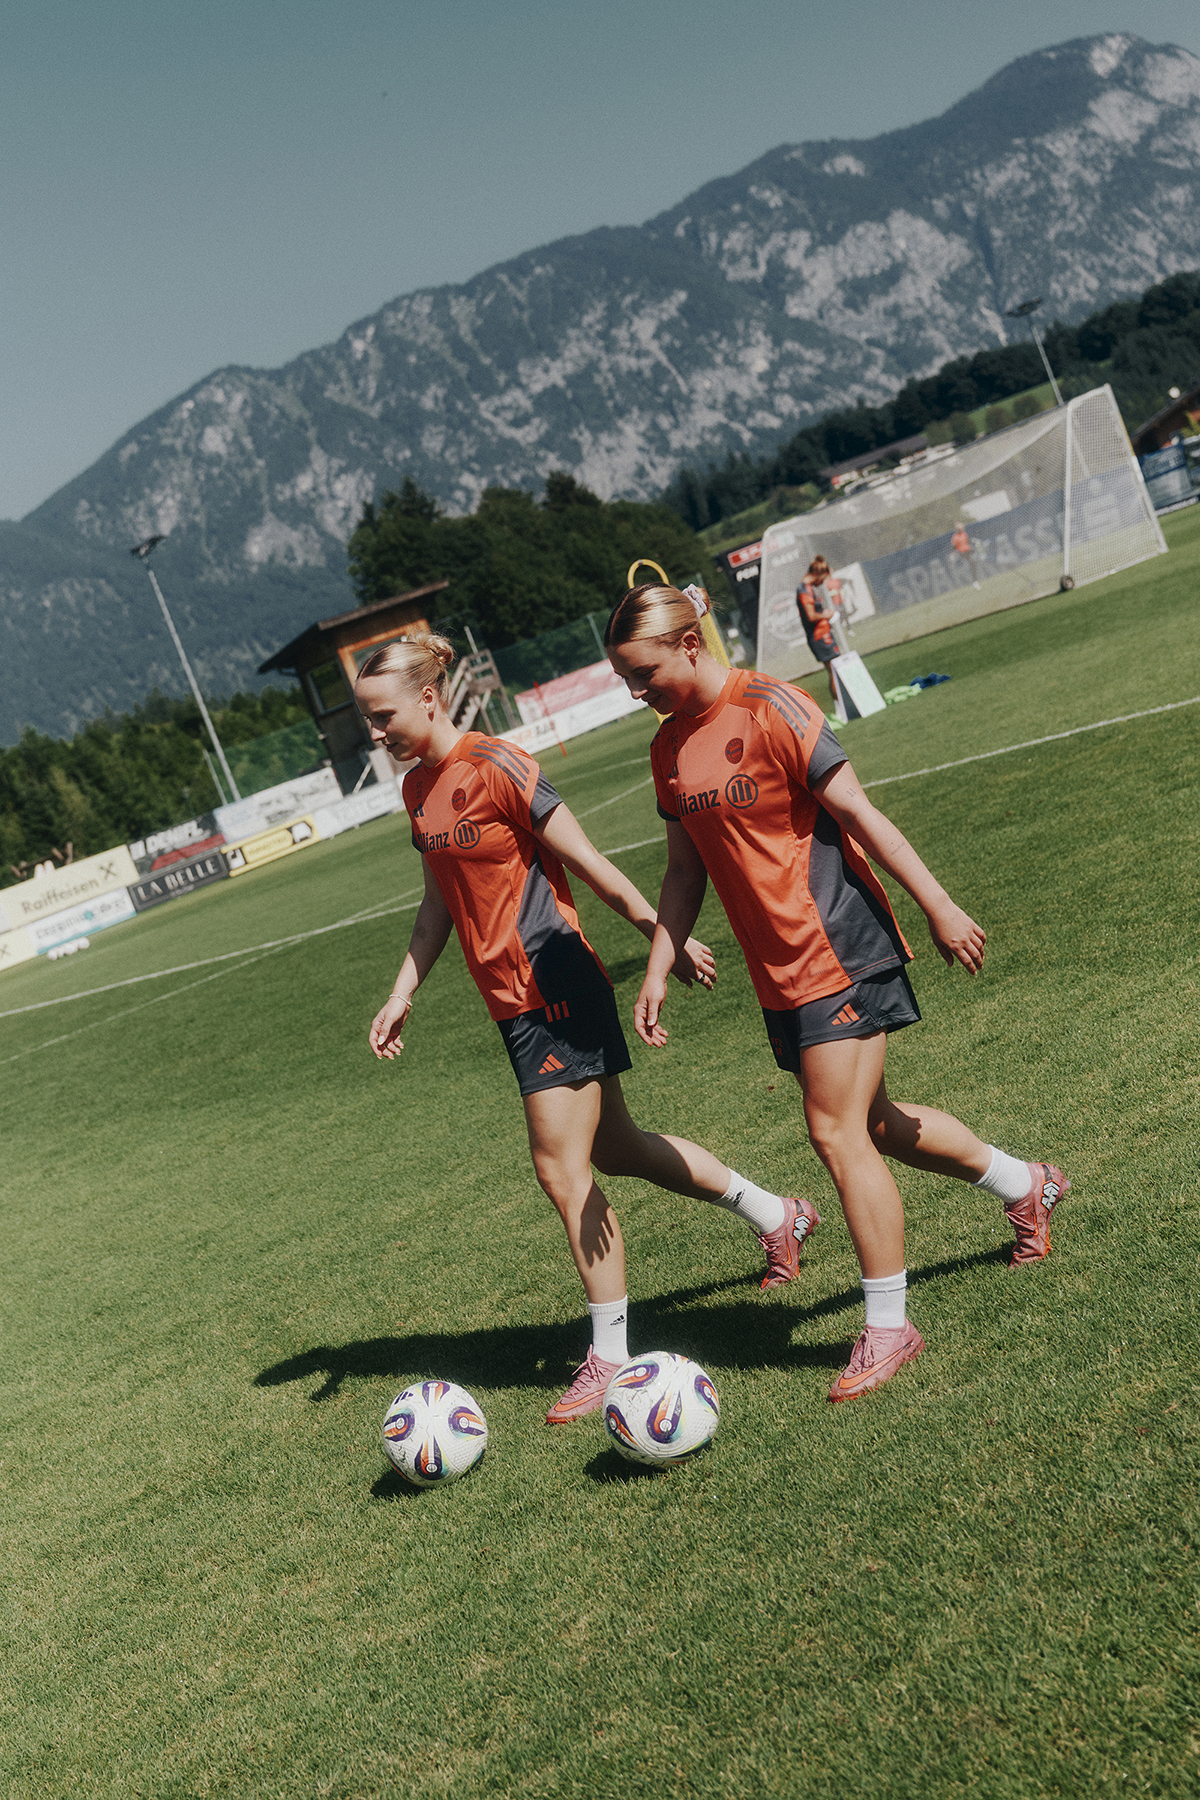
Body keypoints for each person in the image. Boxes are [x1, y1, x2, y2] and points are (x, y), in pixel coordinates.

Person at [604, 583, 1069, 1405]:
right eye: (625, 679)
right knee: (878, 1125)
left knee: (835, 1131)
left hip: (839, 947)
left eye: (644, 673)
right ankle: (1025, 1185)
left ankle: (890, 1328)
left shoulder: (773, 707)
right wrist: (656, 966)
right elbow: (683, 871)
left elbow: (860, 815)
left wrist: (940, 905)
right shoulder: (667, 747)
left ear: (688, 645)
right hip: (778, 970)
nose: (637, 692)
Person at [356, 635, 821, 1424]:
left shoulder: (498, 766)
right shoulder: (418, 791)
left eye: (382, 717)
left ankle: (610, 1355)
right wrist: (403, 991)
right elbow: (438, 903)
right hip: (512, 1003)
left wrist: (661, 937)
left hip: (557, 983)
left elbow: (590, 862)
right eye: (368, 721)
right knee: (619, 1149)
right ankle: (779, 1216)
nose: (376, 734)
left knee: (559, 1169)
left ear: (428, 700)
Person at [796, 556, 843, 703]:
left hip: (823, 633)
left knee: (835, 669)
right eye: (823, 578)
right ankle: (841, 707)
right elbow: (811, 616)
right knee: (834, 670)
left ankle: (842, 705)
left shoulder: (809, 588)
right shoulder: (804, 590)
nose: (822, 582)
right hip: (819, 636)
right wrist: (826, 614)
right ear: (817, 573)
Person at [951, 523, 981, 589]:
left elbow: (967, 541)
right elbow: (953, 546)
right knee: (972, 562)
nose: (962, 529)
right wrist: (952, 554)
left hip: (968, 550)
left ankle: (975, 582)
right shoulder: (955, 537)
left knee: (973, 563)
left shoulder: (964, 534)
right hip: (962, 553)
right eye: (961, 528)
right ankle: (975, 583)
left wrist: (973, 540)